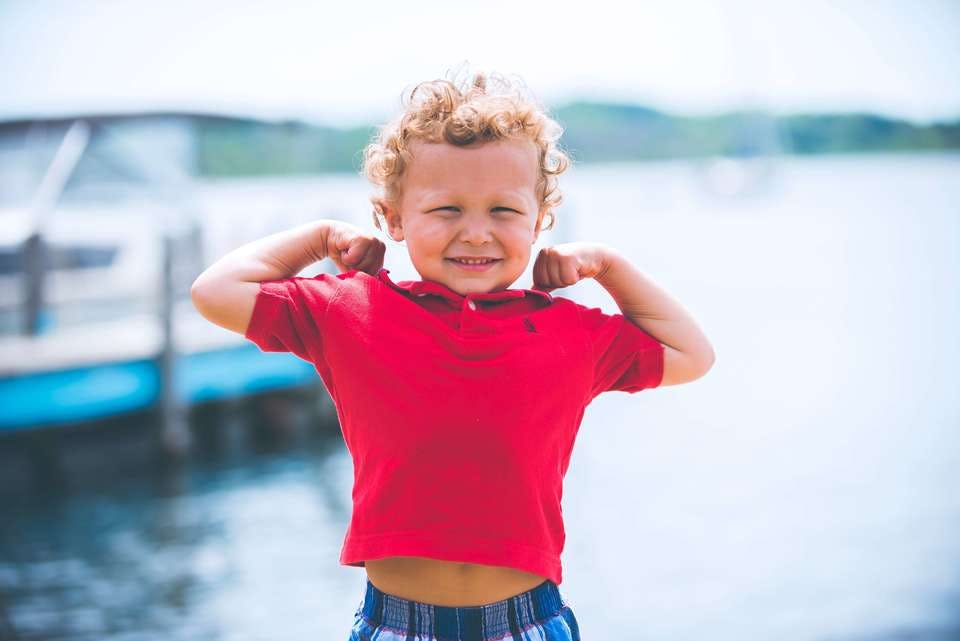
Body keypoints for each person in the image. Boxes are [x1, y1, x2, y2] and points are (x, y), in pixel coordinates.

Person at [190, 67, 715, 641]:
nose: (475, 233)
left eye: (503, 211)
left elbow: (691, 354)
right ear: (392, 217)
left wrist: (609, 266)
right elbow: (214, 293)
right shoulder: (349, 311)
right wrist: (317, 238)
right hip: (396, 624)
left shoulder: (570, 331)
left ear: (540, 220)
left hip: (528, 621)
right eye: (446, 210)